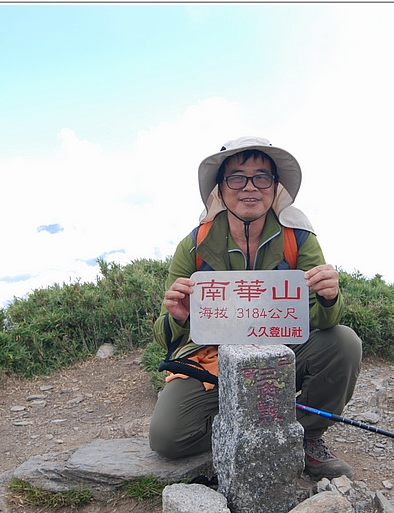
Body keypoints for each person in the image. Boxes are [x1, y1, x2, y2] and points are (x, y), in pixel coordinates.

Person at [148, 136, 362, 480]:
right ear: (221, 187)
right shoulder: (194, 245)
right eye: (237, 177)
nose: (250, 187)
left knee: (343, 342)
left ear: (275, 187)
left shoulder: (299, 238)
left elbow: (325, 321)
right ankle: (248, 425)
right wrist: (178, 318)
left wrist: (328, 297)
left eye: (261, 177)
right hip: (212, 358)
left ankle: (305, 437)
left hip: (282, 348)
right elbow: (164, 338)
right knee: (167, 438)